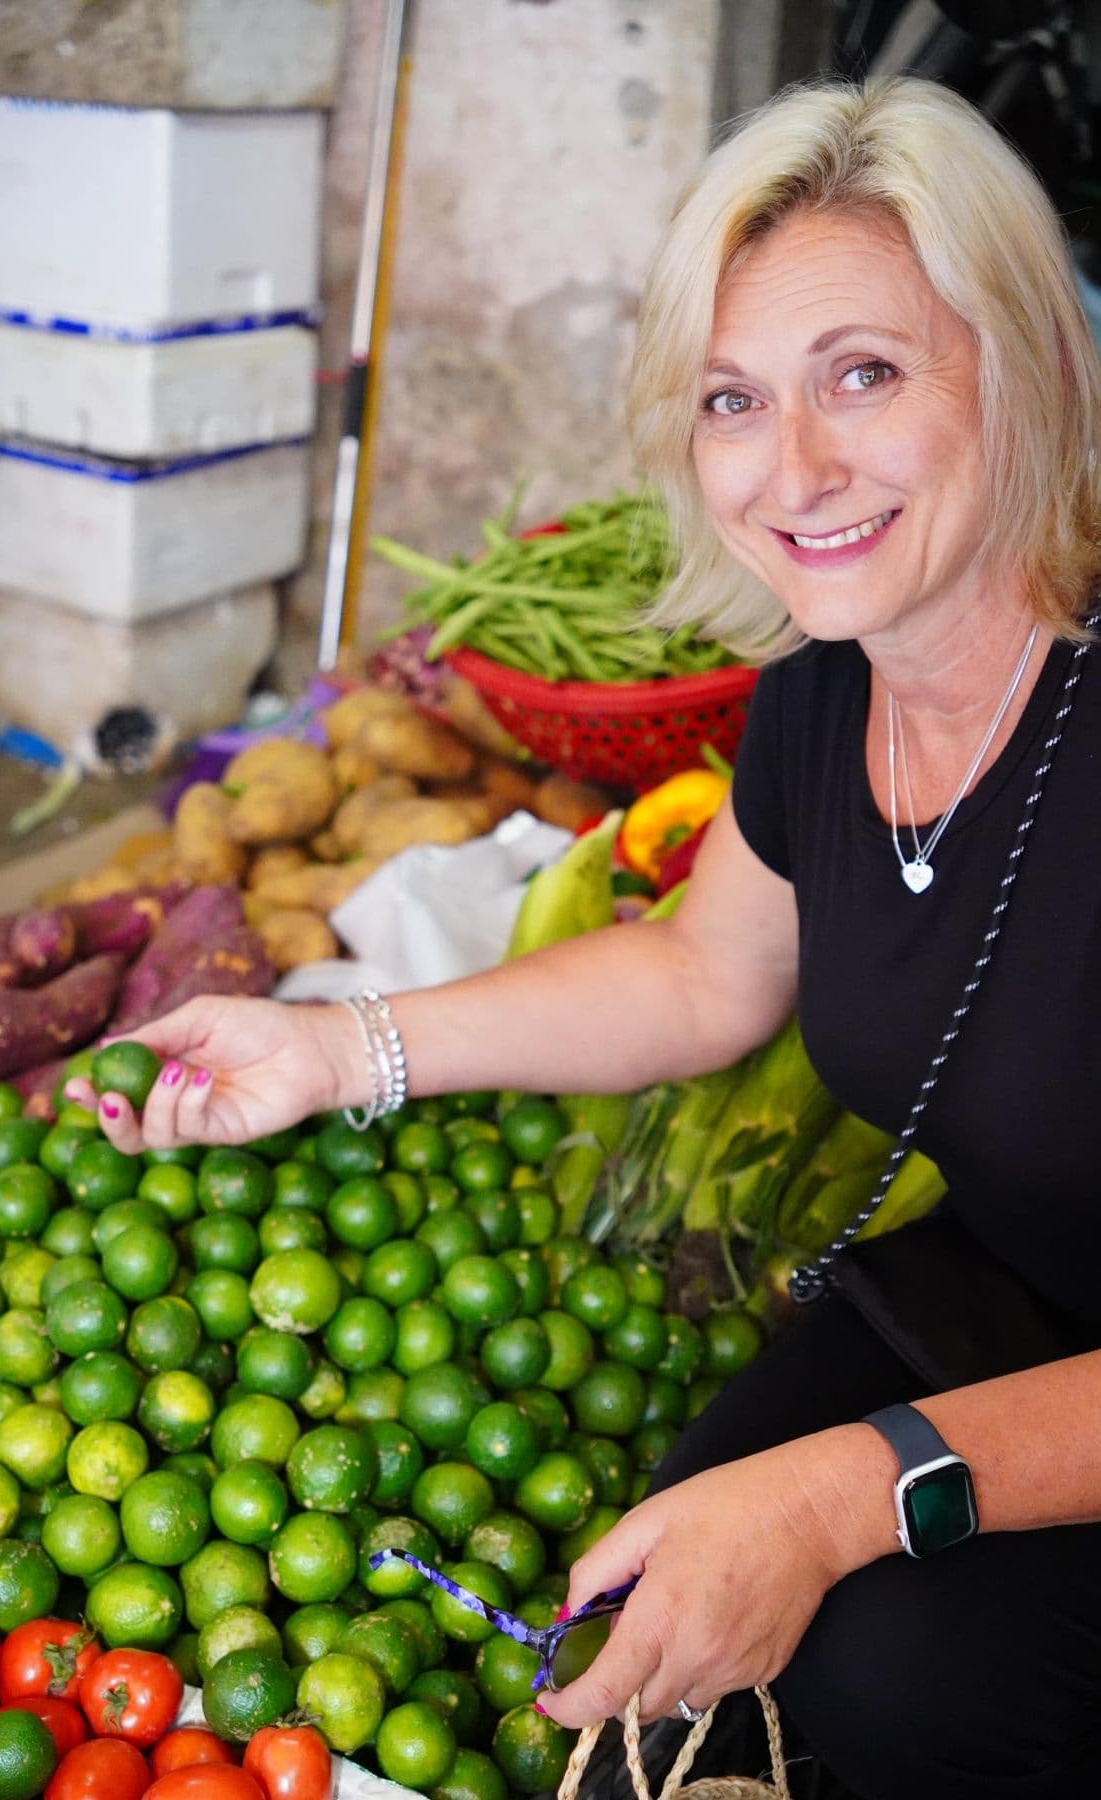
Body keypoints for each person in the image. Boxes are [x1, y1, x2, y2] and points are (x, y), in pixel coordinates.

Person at [68, 79, 1101, 1800]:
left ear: (1026, 367)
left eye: (867, 373)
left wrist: (854, 1488)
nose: (797, 470)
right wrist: (338, 1046)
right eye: (732, 398)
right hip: (1018, 1310)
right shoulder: (823, 690)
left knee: (890, 1688)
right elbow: (707, 974)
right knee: (653, 1627)